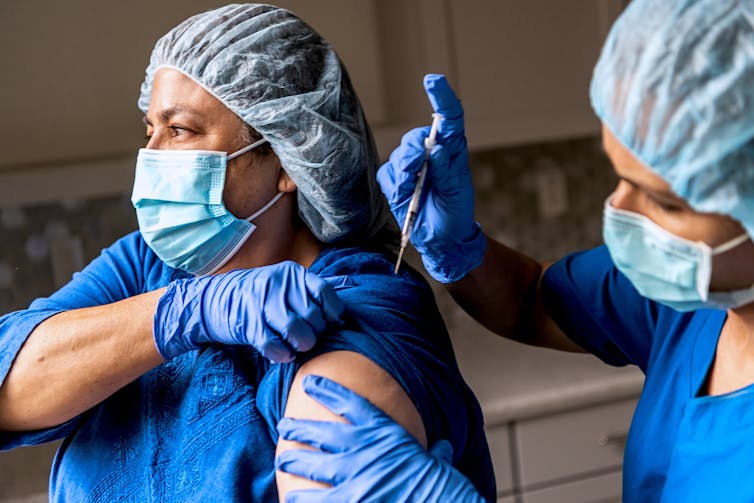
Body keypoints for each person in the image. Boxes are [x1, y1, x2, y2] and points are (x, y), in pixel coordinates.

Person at [0, 4, 496, 501]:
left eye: (181, 130)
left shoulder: (354, 296)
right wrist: (185, 311)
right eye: (148, 129)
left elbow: (335, 440)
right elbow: (12, 382)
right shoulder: (146, 266)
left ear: (286, 156)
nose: (151, 156)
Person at [275, 0, 754, 501]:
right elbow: (533, 301)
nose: (619, 209)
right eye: (620, 177)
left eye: (664, 201)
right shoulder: (692, 301)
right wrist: (459, 248)